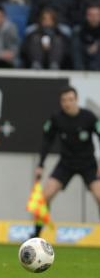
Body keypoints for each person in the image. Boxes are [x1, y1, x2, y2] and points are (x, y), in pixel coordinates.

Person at [33, 86, 100, 237]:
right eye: (64, 100)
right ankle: (36, 234)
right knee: (44, 197)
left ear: (76, 100)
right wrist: (40, 165)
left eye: (70, 99)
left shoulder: (89, 117)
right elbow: (46, 141)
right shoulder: (56, 118)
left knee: (99, 196)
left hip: (88, 163)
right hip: (66, 163)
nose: (67, 103)